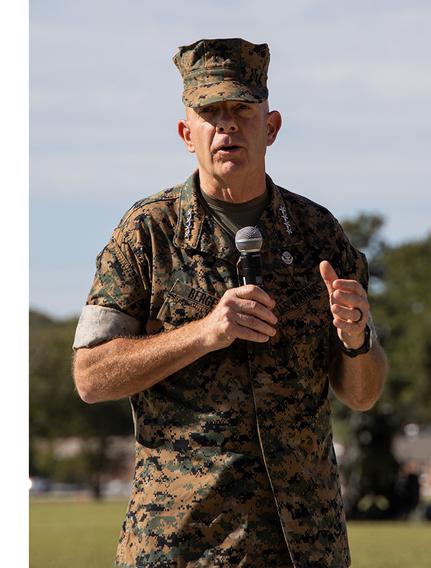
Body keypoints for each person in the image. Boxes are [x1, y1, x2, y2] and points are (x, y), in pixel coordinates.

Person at [72, 38, 387, 567]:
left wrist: (357, 340)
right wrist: (204, 332)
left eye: (242, 110)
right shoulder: (147, 233)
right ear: (185, 134)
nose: (227, 126)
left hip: (302, 546)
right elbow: (90, 375)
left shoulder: (319, 236)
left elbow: (362, 394)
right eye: (210, 113)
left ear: (272, 127)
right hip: (182, 544)